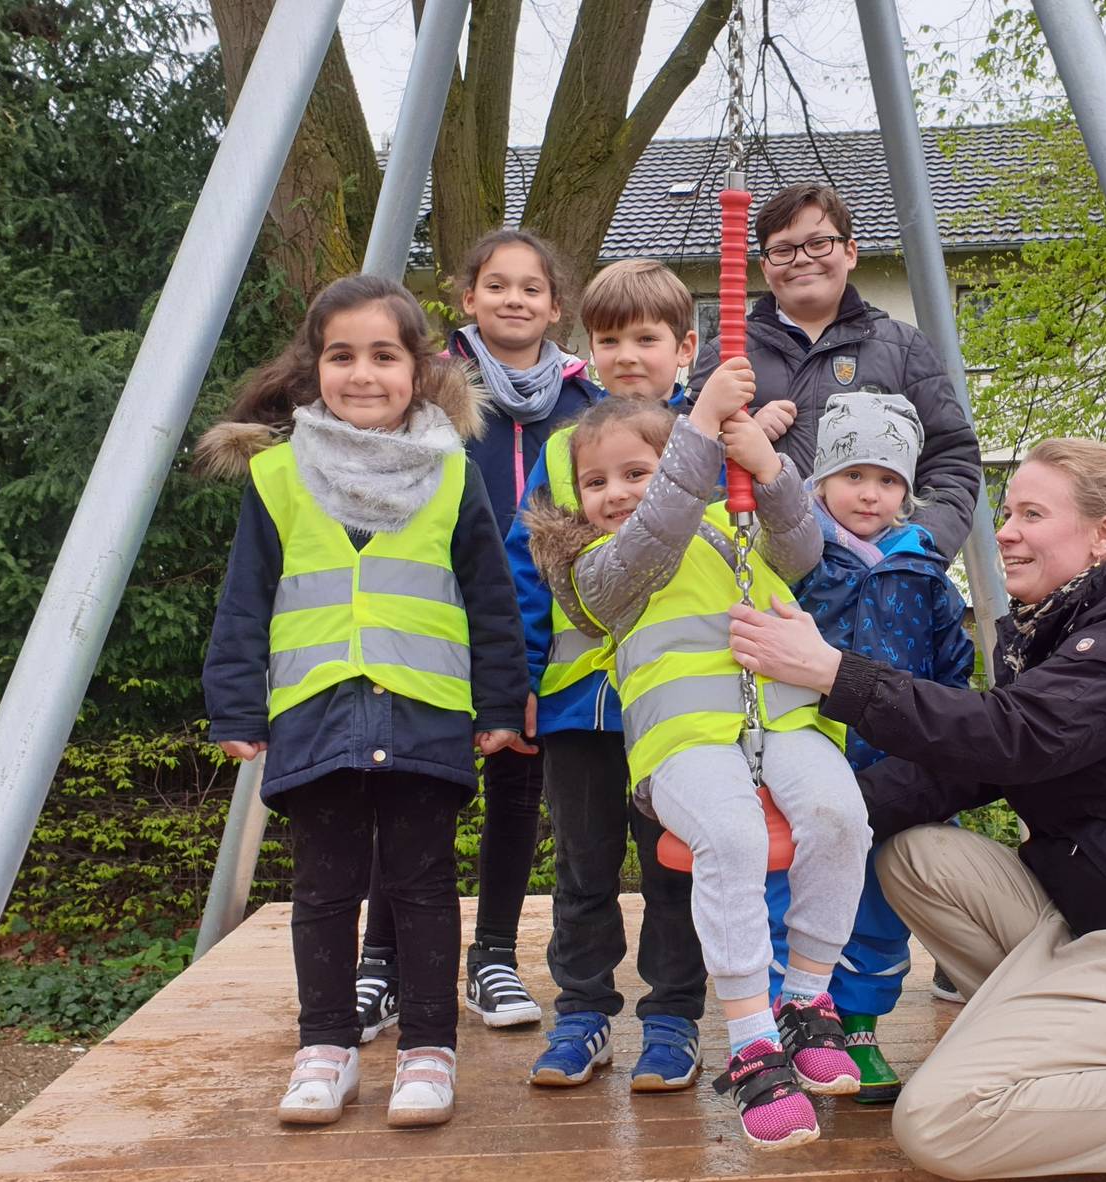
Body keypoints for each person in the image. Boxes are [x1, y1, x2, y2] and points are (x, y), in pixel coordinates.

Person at [728, 437, 1106, 1181]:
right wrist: (810, 817)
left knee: (941, 1121)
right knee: (916, 854)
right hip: (1097, 929)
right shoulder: (1047, 633)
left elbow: (1017, 736)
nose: (1004, 531)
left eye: (1032, 514)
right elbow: (960, 771)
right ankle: (1045, 1038)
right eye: (1007, 513)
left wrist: (836, 673)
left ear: (1102, 535)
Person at [198, 274, 529, 1128]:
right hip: (315, 711)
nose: (363, 374)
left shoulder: (453, 475)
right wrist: (235, 706)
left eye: (384, 356)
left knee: (422, 885)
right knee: (322, 887)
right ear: (314, 369)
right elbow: (245, 600)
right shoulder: (276, 477)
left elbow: (491, 599)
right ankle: (326, 1046)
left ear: (418, 370)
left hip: (425, 709)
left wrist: (500, 704)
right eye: (342, 356)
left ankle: (429, 1049)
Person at [521, 385, 870, 1150]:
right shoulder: (595, 570)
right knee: (733, 839)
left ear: (676, 467)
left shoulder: (728, 524)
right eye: (594, 481)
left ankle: (806, 999)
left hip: (782, 720)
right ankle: (751, 1040)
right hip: (683, 743)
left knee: (843, 817)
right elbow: (657, 530)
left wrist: (766, 469)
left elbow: (802, 552)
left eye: (635, 472)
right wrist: (701, 428)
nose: (615, 493)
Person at [353, 229, 597, 1037]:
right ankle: (380, 961)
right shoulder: (427, 389)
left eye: (532, 288)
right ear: (467, 298)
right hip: (434, 613)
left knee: (517, 788)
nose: (514, 299)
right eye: (497, 285)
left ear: (555, 308)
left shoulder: (584, 403)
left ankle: (492, 954)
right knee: (411, 786)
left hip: (530, 620)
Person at [504, 260, 707, 1091]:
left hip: (682, 704)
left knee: (674, 865)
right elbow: (528, 569)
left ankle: (673, 1017)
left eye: (646, 338)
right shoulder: (564, 448)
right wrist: (520, 675)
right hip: (579, 701)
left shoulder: (706, 442)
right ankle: (582, 1013)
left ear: (683, 348)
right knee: (583, 868)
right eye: (609, 339)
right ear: (587, 349)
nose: (627, 356)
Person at [764, 391, 975, 1104]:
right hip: (806, 759)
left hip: (892, 768)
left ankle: (858, 1028)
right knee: (793, 897)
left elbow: (951, 672)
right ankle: (790, 1027)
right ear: (821, 480)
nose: (870, 493)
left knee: (880, 907)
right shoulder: (798, 560)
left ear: (906, 493)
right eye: (853, 475)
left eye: (887, 480)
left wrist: (939, 749)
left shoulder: (924, 573)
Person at [689, 182, 984, 562]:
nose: (801, 259)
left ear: (850, 252)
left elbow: (950, 460)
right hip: (759, 569)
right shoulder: (726, 357)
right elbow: (683, 463)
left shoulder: (904, 350)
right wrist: (736, 439)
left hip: (874, 570)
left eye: (819, 243)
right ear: (764, 266)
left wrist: (915, 550)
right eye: (783, 250)